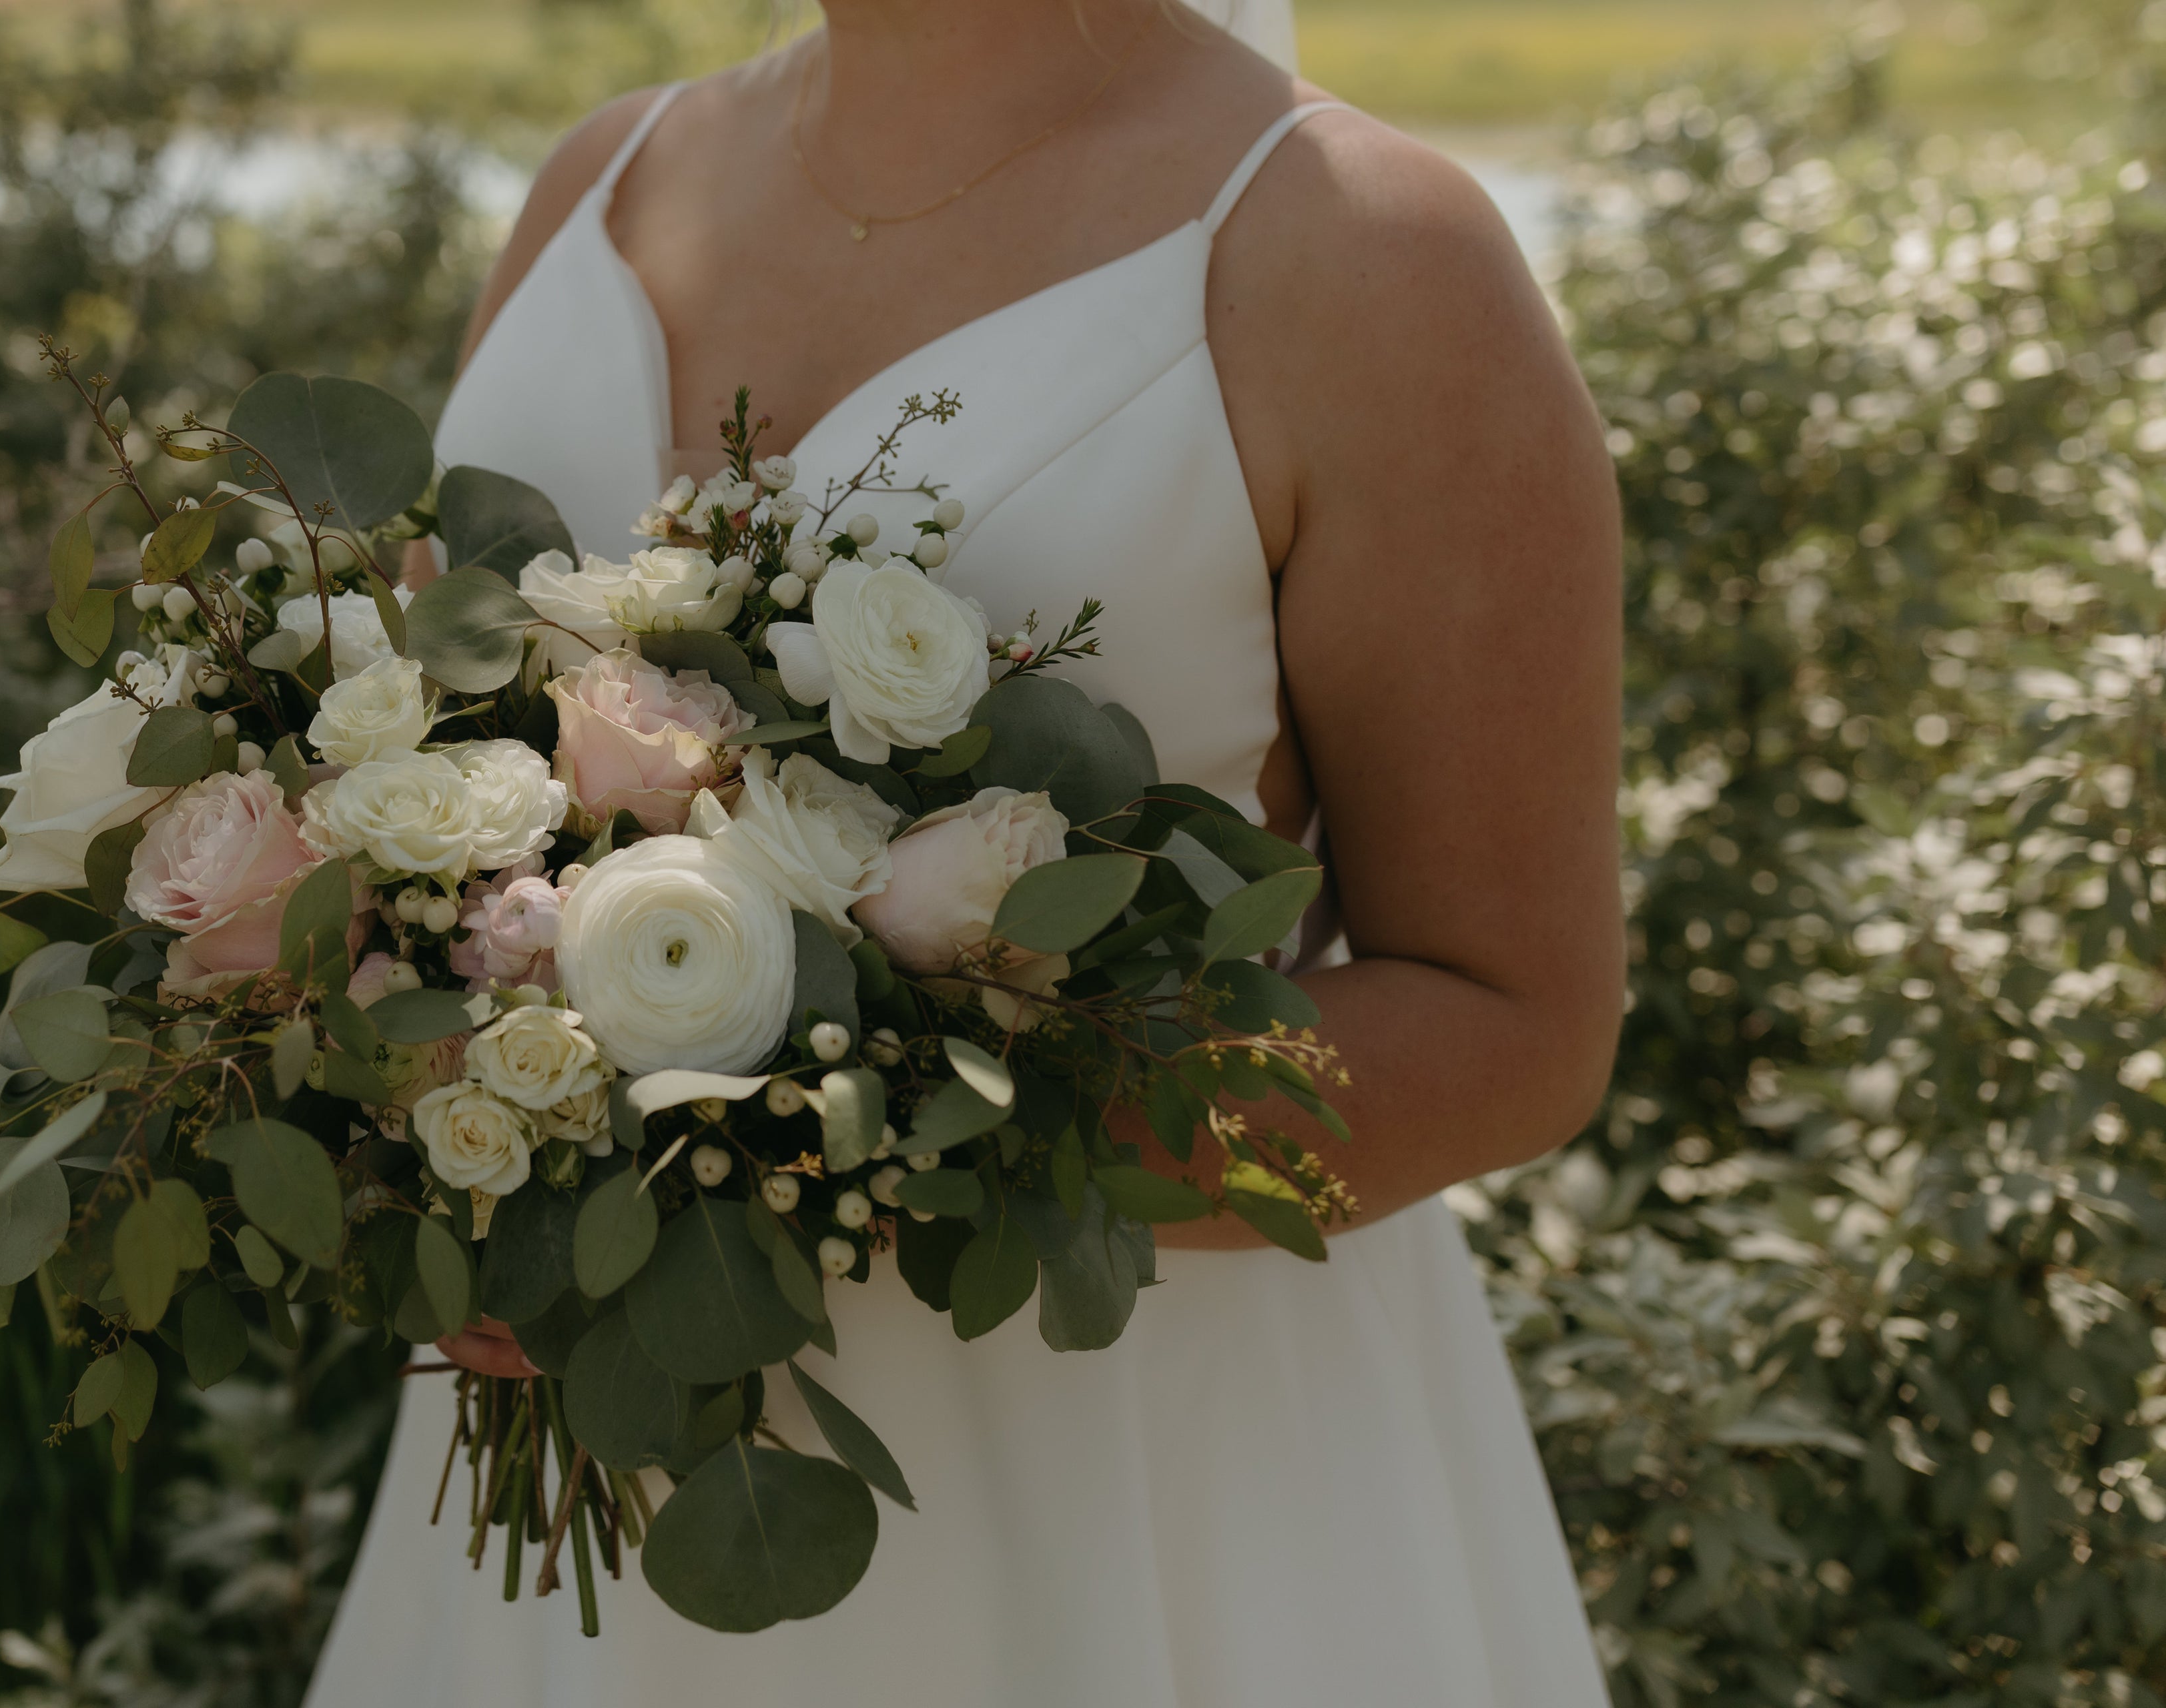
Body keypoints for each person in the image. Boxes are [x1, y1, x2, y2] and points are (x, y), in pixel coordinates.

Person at [308, 0, 1622, 1699]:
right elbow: (434, 781)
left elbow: (1516, 1022)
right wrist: (450, 1135)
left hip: (1121, 1499)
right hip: (587, 1515)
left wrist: (845, 1138)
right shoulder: (605, 180)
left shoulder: (1365, 255)